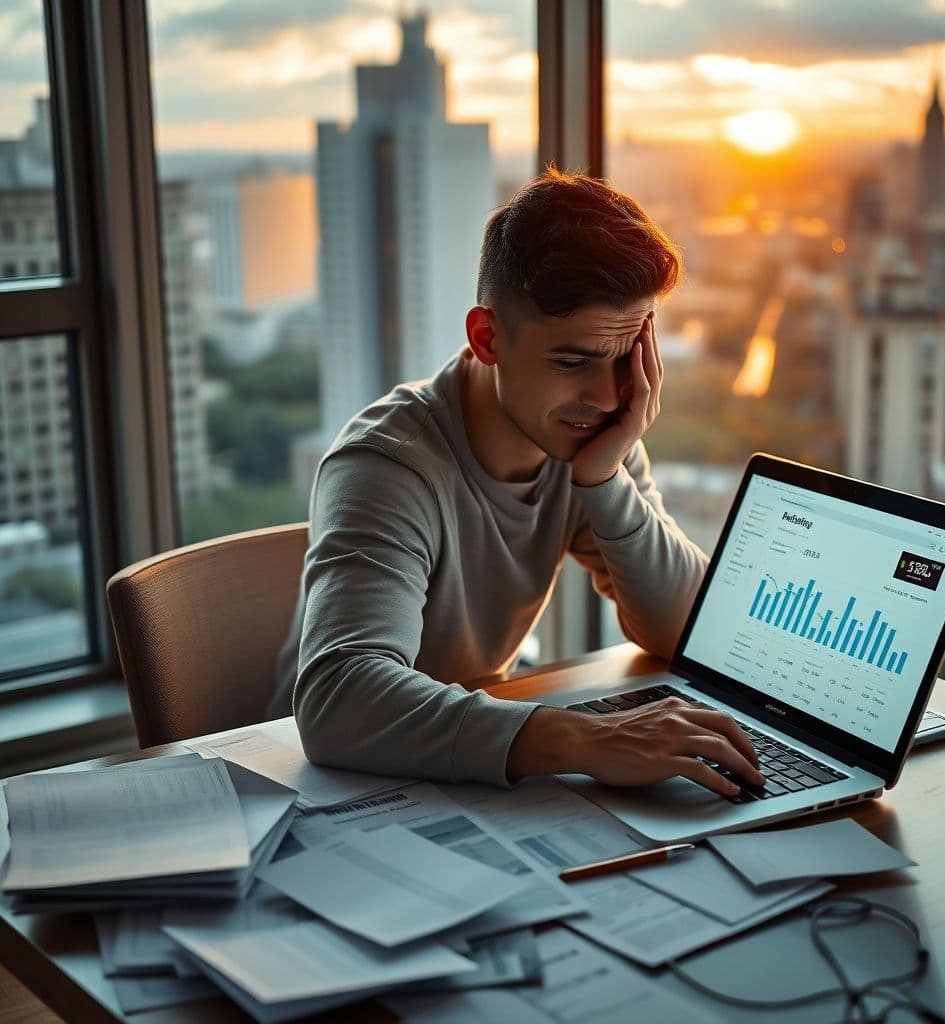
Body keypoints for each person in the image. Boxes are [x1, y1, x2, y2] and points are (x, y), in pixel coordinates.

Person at [268, 168, 763, 797]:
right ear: (487, 337)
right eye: (573, 361)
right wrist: (588, 740)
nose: (610, 396)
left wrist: (607, 479)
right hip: (332, 790)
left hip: (466, 774)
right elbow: (340, 701)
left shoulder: (591, 439)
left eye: (626, 360)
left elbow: (687, 633)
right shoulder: (385, 464)